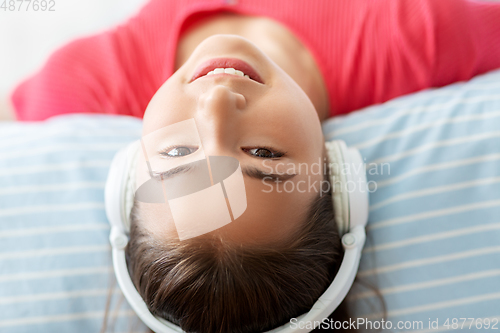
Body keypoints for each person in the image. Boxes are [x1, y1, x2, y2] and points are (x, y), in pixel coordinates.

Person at [5, 0, 500, 332]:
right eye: (263, 156)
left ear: (128, 170)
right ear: (335, 171)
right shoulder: (419, 38)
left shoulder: (75, 89)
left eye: (179, 157)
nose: (217, 105)